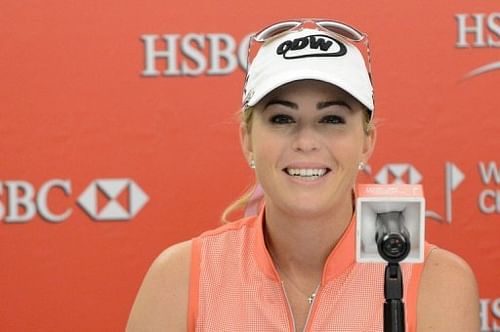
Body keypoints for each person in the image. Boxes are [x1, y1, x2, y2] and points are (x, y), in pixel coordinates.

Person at [127, 19, 479, 332]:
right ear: (248, 140)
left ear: (367, 141)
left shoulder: (438, 281)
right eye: (282, 118)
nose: (306, 141)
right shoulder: (180, 278)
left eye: (332, 119)